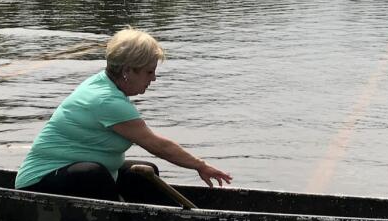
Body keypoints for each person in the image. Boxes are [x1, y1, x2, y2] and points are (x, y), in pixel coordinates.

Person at [15, 27, 232, 203]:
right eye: (149, 72)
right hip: (37, 184)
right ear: (127, 71)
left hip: (76, 175)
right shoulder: (106, 100)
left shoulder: (108, 84)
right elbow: (157, 145)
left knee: (145, 174)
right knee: (93, 174)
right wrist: (200, 165)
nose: (154, 78)